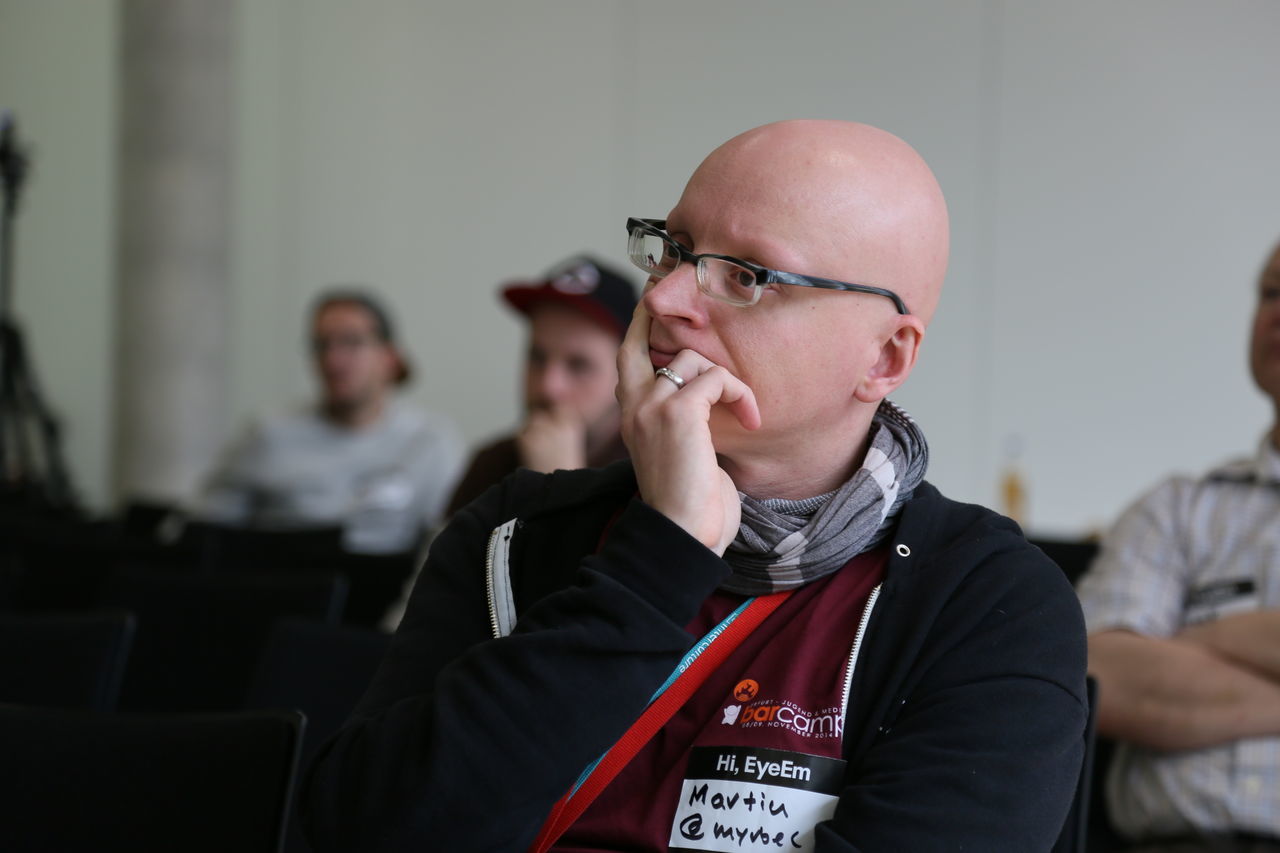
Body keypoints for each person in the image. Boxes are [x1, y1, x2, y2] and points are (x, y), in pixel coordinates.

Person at [301, 120, 1087, 851]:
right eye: (674, 250)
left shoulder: (985, 602)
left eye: (746, 275)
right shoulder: (514, 534)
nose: (666, 299)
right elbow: (355, 830)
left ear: (882, 357)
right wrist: (658, 558)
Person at [1077, 240, 1280, 850]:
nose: (1279, 311)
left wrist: (1192, 647)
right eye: (1271, 292)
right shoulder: (1178, 508)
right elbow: (1096, 672)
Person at [196, 288, 464, 554]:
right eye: (322, 345)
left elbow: (446, 544)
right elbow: (207, 529)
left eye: (351, 342)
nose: (333, 360)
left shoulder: (428, 441)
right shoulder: (269, 435)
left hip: (386, 590)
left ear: (389, 356)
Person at [445, 256, 638, 516]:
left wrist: (560, 488)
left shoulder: (649, 474)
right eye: (537, 358)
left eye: (578, 365)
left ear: (625, 372)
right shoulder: (493, 463)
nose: (549, 387)